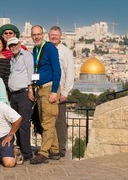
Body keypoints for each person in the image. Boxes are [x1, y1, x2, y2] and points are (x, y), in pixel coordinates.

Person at [30, 25, 61, 164]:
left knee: (47, 122)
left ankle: (44, 152)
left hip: (49, 88)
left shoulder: (50, 48)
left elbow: (57, 70)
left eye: (38, 34)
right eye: (33, 35)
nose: (36, 36)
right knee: (46, 121)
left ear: (43, 34)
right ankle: (54, 150)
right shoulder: (35, 49)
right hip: (40, 89)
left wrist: (54, 91)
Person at [48, 26, 75, 157]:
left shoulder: (65, 51)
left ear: (60, 36)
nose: (53, 37)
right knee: (49, 121)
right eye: (51, 34)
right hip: (48, 90)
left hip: (59, 90)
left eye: (56, 35)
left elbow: (70, 72)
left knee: (59, 122)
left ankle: (60, 149)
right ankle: (51, 148)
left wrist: (65, 92)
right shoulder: (47, 49)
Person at [7, 37, 34, 161]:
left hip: (24, 93)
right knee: (16, 123)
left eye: (15, 44)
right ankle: (21, 149)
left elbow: (31, 72)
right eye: (11, 45)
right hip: (14, 95)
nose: (13, 47)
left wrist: (30, 89)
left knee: (23, 124)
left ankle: (27, 153)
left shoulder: (26, 55)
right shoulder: (12, 58)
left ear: (19, 44)